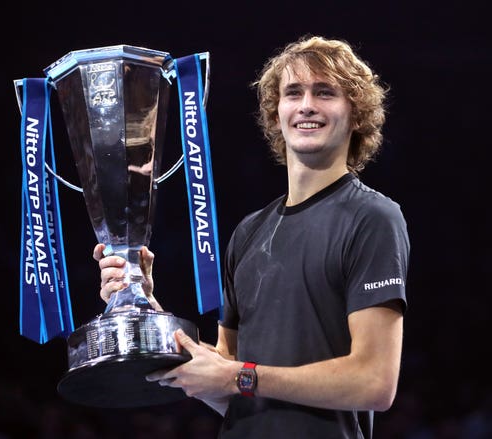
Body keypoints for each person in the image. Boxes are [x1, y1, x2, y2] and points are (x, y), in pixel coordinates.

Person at [94, 35, 410, 438]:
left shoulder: (373, 218)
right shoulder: (249, 232)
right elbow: (227, 380)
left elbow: (374, 383)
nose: (307, 105)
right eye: (293, 93)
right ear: (276, 113)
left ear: (357, 115)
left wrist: (239, 377)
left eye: (325, 92)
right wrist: (143, 307)